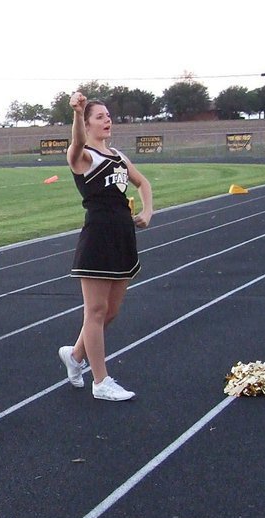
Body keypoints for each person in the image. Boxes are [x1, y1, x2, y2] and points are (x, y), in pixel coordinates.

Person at [57, 92, 153, 401]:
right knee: (95, 310)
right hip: (98, 235)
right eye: (99, 117)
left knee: (110, 311)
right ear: (86, 125)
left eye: (108, 115)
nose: (107, 119)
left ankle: (75, 355)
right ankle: (100, 381)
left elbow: (143, 183)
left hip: (123, 235)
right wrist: (77, 112)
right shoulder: (83, 157)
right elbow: (74, 146)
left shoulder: (119, 156)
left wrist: (148, 211)